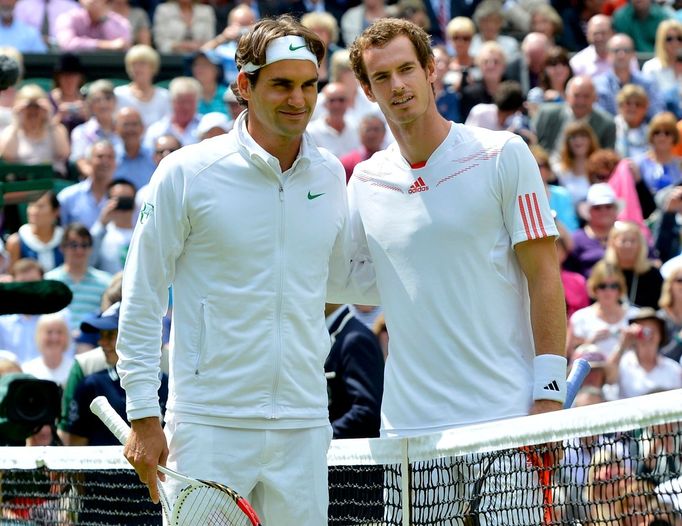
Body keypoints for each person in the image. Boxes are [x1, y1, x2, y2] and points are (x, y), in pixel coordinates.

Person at [116, 16, 360, 526]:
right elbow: (141, 295)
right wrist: (142, 411)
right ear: (245, 86)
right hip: (209, 424)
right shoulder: (186, 171)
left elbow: (336, 283)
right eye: (282, 85)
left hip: (304, 423)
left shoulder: (331, 173)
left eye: (309, 84)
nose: (299, 99)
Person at [347, 18, 566, 522]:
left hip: (506, 419)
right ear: (367, 89)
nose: (398, 86)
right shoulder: (364, 179)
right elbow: (342, 283)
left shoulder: (503, 154)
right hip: (409, 433)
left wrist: (548, 396)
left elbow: (544, 277)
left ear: (431, 71)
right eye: (383, 77)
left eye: (407, 69)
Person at [606, 307, 682, 399]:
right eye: (643, 332)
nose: (647, 336)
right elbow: (608, 379)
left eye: (652, 331)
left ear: (661, 335)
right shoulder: (623, 364)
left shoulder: (673, 369)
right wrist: (622, 345)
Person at [566, 259, 633, 359]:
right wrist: (589, 343)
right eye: (602, 286)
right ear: (594, 287)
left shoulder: (634, 316)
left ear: (620, 288)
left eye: (613, 286)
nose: (608, 291)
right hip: (591, 373)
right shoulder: (580, 318)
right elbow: (567, 356)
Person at [0, 83, 70, 175]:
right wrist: (16, 120)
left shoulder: (57, 129)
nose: (33, 111)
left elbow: (63, 154)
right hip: (24, 181)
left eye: (37, 107)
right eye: (28, 108)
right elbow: (7, 157)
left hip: (53, 179)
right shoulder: (10, 131)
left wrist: (49, 117)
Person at [604, 220, 663, 309]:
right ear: (613, 243)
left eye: (633, 241)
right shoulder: (604, 272)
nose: (628, 245)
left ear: (640, 244)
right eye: (623, 241)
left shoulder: (652, 274)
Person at [4, 190, 63, 272]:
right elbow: (12, 278)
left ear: (56, 211)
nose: (33, 211)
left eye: (40, 206)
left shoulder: (66, 240)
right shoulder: (15, 242)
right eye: (31, 205)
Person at [114, 45, 171, 128]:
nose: (137, 68)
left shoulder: (165, 96)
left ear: (153, 67)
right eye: (133, 64)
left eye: (142, 64)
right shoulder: (118, 94)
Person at [54, 0, 131, 51]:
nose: (94, 2)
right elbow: (67, 44)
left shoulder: (120, 22)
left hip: (109, 69)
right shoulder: (68, 18)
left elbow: (122, 45)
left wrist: (104, 20)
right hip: (75, 68)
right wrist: (103, 45)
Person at [21, 312, 73, 385]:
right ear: (39, 335)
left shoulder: (74, 370)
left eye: (59, 332)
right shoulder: (27, 371)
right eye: (49, 332)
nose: (55, 338)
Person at [113, 106, 155, 190]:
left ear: (143, 128)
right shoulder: (110, 156)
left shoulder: (154, 156)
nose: (130, 129)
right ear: (115, 128)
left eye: (134, 124)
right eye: (126, 125)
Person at [151, 0, 215, 54]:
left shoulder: (207, 11)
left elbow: (210, 41)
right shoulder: (163, 10)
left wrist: (199, 46)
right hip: (171, 58)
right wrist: (179, 46)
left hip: (201, 58)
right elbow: (160, 42)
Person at [340, 112, 386, 182]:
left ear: (384, 133)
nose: (372, 134)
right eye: (368, 130)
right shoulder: (347, 163)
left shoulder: (392, 161)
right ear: (359, 133)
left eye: (376, 129)